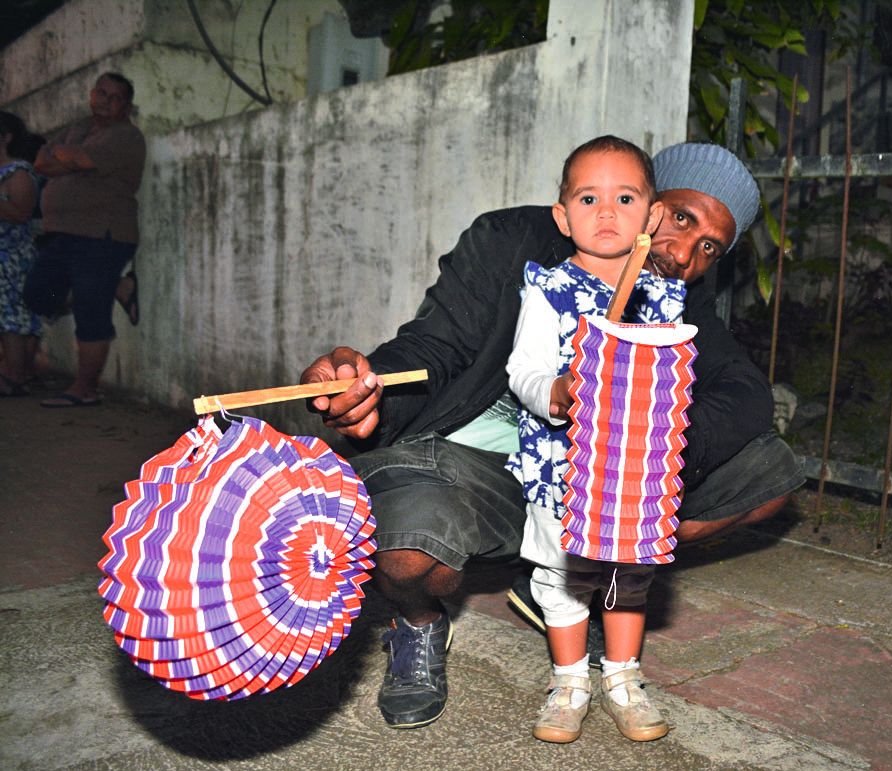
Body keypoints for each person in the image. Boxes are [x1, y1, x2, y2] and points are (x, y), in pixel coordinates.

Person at [301, 141, 805, 730]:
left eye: (709, 247)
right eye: (681, 218)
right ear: (649, 203)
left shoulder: (671, 294)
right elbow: (434, 345)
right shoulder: (514, 246)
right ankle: (419, 624)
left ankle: (565, 580)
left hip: (589, 484)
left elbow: (745, 391)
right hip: (478, 467)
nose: (683, 252)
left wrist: (656, 448)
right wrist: (370, 384)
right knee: (408, 548)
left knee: (769, 473)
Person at [504, 136, 680, 743]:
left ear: (652, 216)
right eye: (588, 198)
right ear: (563, 216)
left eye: (625, 198)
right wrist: (553, 392)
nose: (606, 212)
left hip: (635, 467)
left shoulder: (662, 295)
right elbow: (522, 370)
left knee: (628, 576)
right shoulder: (549, 291)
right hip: (563, 465)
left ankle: (623, 678)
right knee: (561, 575)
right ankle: (569, 681)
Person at [23, 72, 145, 408]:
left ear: (126, 107)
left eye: (115, 98)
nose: (106, 101)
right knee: (37, 294)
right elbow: (41, 161)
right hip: (62, 233)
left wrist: (67, 157)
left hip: (102, 235)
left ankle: (85, 390)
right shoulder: (78, 128)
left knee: (91, 313)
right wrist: (70, 159)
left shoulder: (126, 136)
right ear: (91, 94)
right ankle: (117, 286)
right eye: (101, 93)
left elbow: (80, 159)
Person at [0, 111, 41, 396]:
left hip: (11, 257)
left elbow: (21, 213)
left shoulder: (19, 171)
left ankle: (15, 377)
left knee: (12, 319)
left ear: (6, 137)